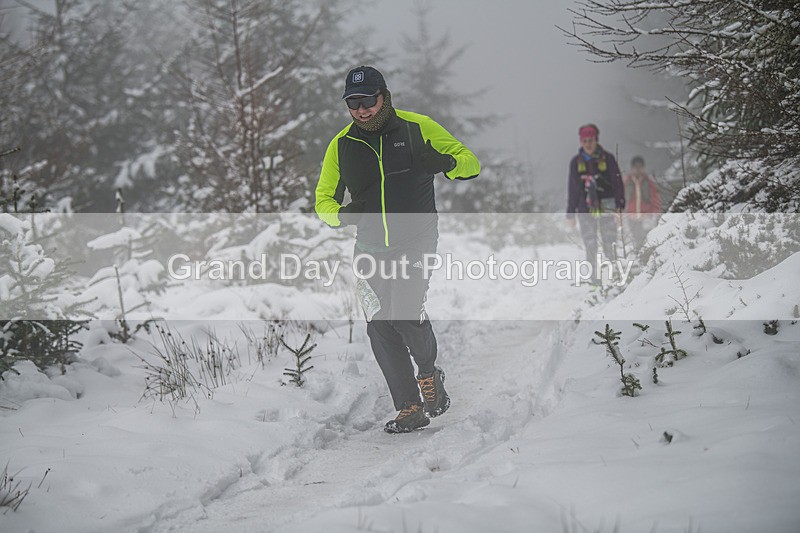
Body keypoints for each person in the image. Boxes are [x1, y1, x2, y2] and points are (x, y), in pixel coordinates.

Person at [315, 66, 480, 433]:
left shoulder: (417, 127)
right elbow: (322, 201)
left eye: (368, 100)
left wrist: (448, 164)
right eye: (353, 103)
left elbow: (471, 163)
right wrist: (343, 215)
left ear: (384, 97)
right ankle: (408, 406)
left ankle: (427, 373)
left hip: (416, 239)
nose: (362, 110)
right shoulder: (341, 144)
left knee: (404, 314)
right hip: (370, 247)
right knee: (380, 327)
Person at [566, 123, 625, 285]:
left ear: (596, 140)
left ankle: (615, 278)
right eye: (584, 141)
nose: (588, 144)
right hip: (585, 209)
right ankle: (596, 281)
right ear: (580, 142)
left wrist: (620, 205)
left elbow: (617, 182)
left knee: (609, 243)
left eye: (590, 140)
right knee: (591, 246)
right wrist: (570, 213)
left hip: (607, 206)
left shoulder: (608, 159)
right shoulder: (575, 162)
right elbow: (572, 189)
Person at [623, 155, 661, 248]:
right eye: (635, 167)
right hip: (631, 216)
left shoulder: (648, 181)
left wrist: (656, 212)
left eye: (640, 167)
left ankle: (646, 255)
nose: (638, 169)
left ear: (643, 168)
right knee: (635, 238)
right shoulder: (626, 181)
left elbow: (655, 197)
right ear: (631, 168)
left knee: (647, 238)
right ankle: (638, 255)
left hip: (646, 215)